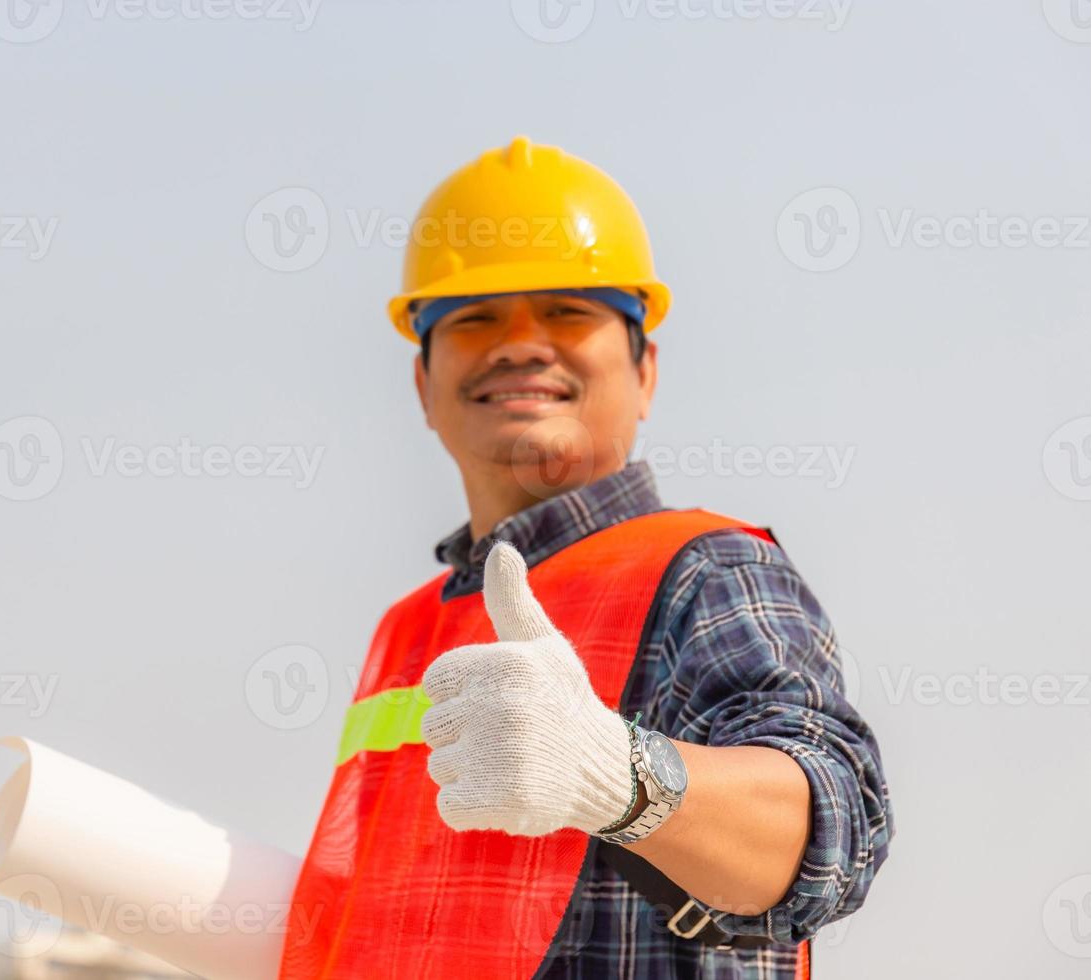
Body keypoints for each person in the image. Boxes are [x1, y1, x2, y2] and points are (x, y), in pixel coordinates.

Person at [279, 136, 893, 979]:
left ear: (646, 370)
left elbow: (831, 829)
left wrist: (620, 775)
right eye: (474, 317)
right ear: (421, 385)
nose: (522, 342)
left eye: (570, 309)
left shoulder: (704, 572)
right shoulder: (407, 630)